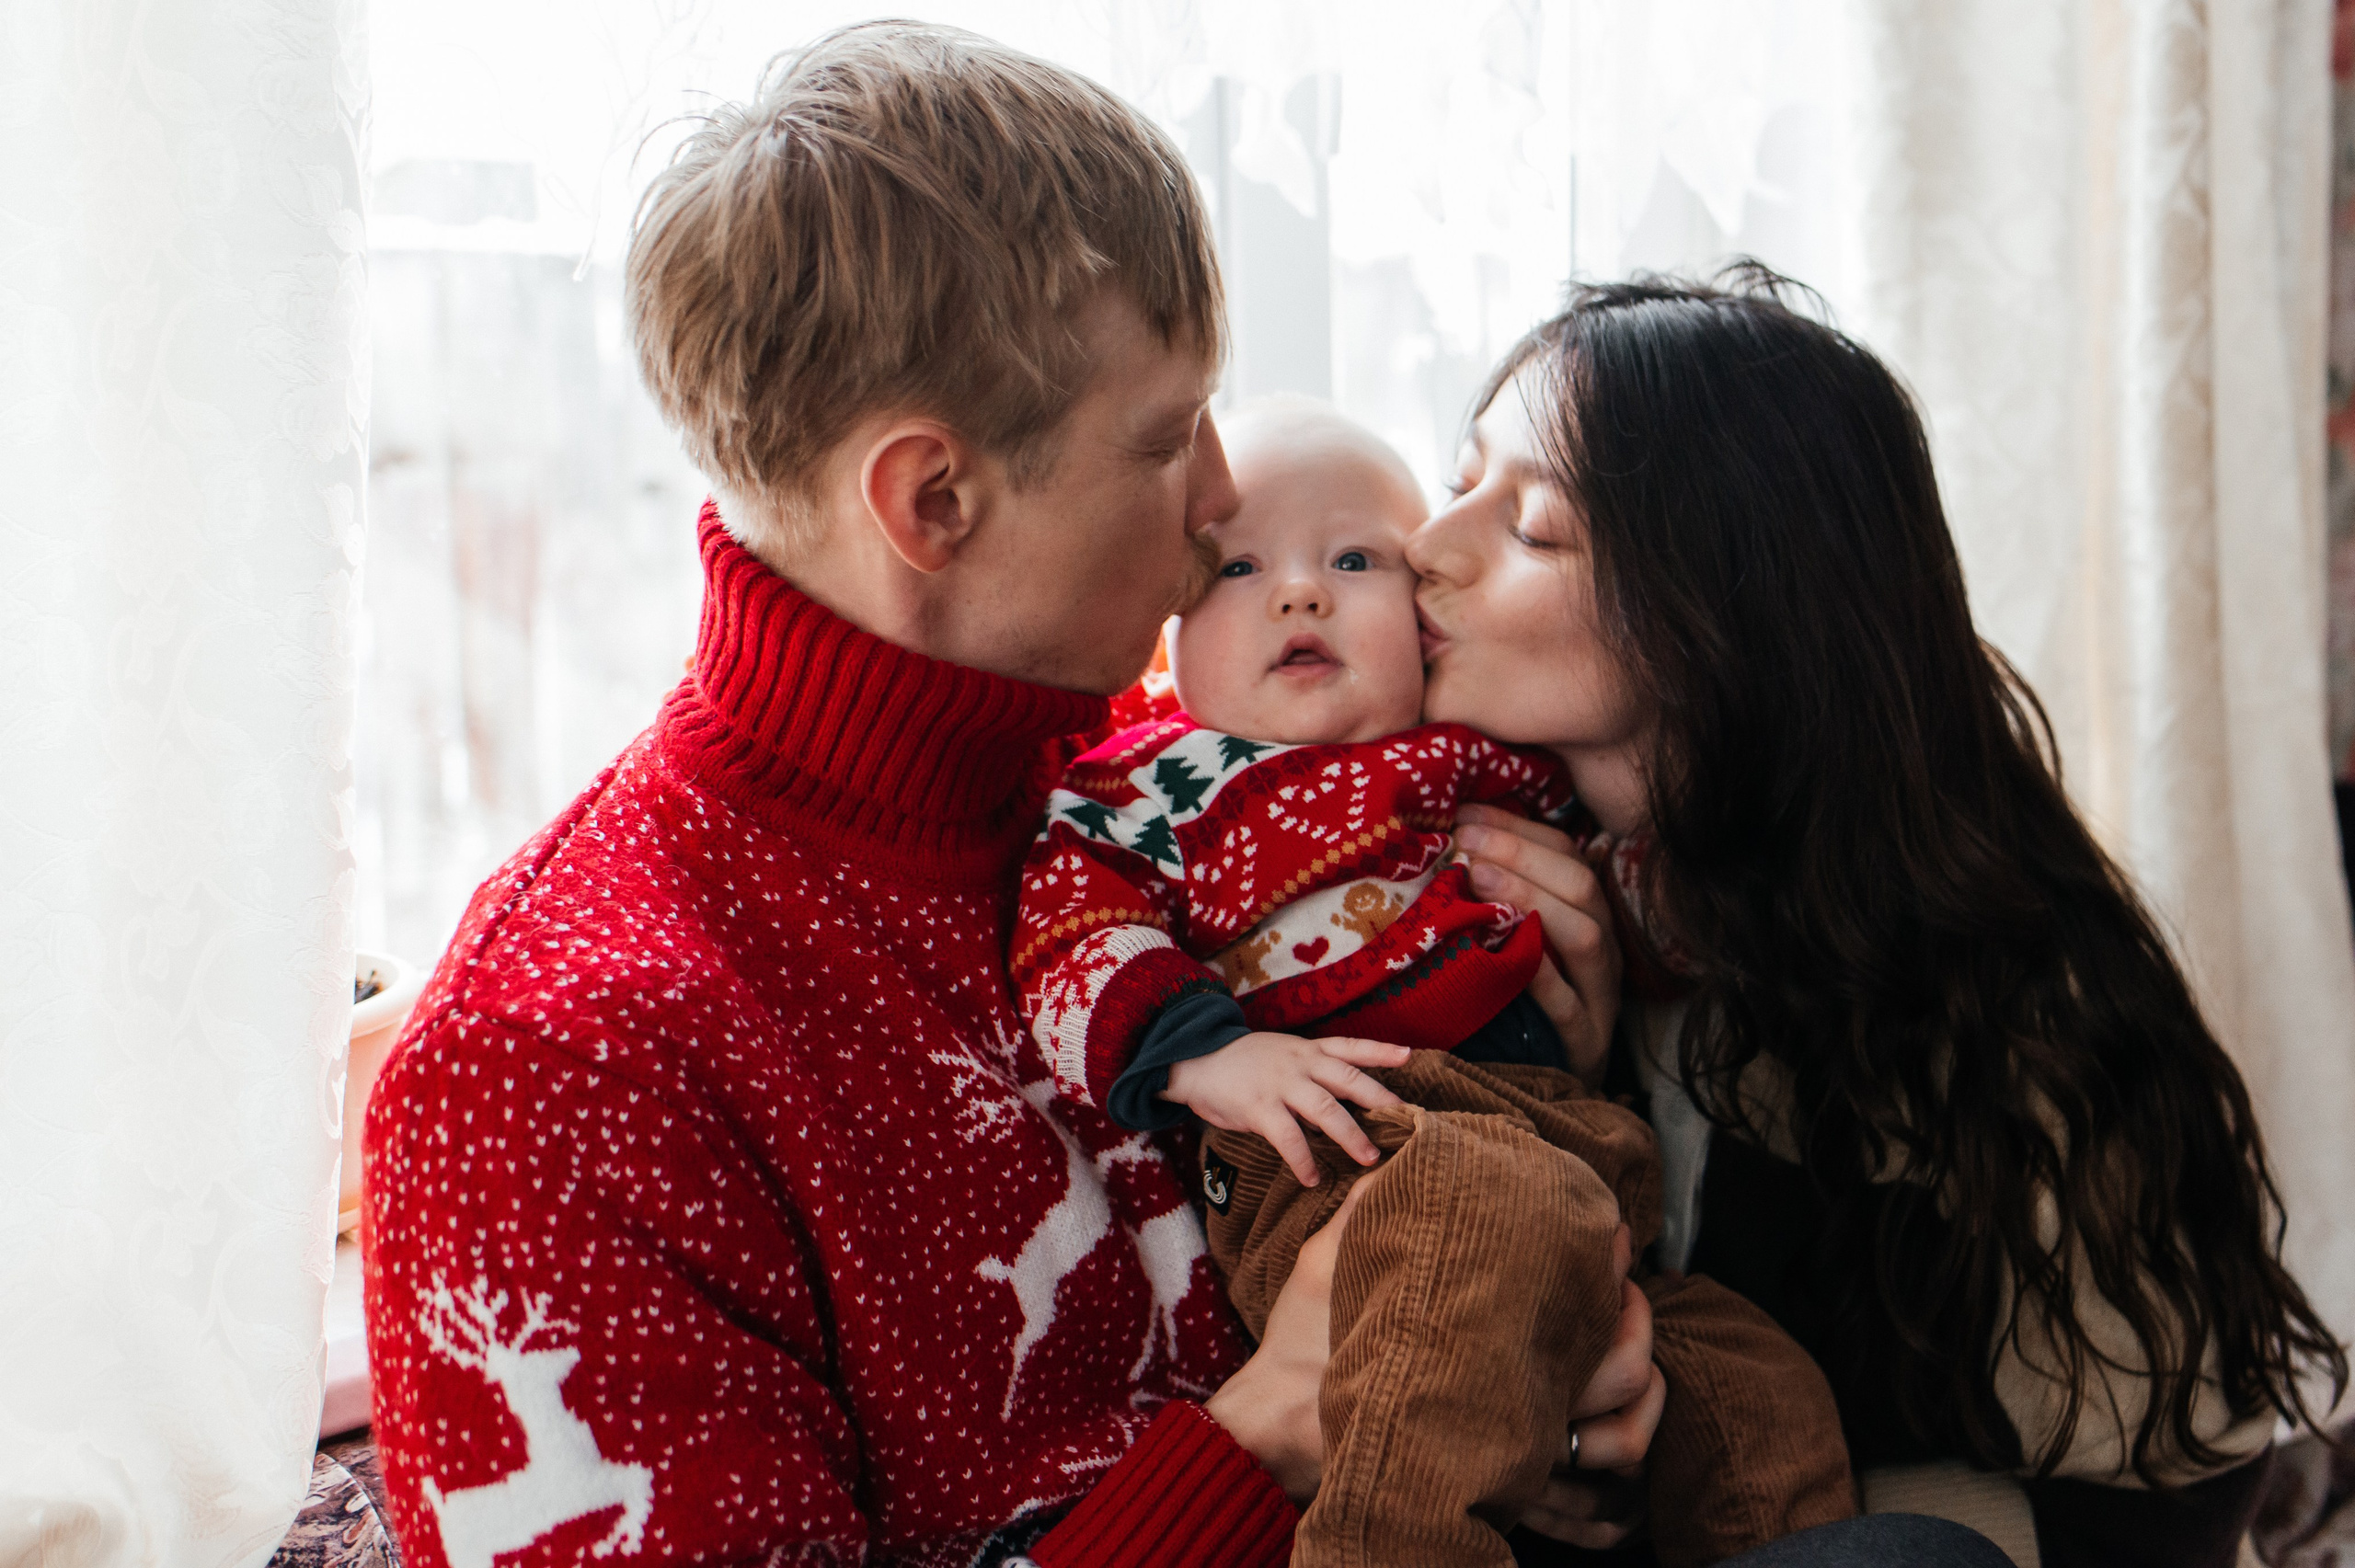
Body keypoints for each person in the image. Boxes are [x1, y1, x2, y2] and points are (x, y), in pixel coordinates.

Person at [359, 25, 1672, 1568]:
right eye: (1169, 437)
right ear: (933, 501)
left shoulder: (1179, 763)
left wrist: (1537, 1087)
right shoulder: (552, 1071)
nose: (1228, 498)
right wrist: (1275, 1441)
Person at [1416, 265, 2351, 1568]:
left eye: (1532, 528)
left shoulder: (2006, 999)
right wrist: (1564, 1095)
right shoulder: (1457, 873)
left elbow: (2174, 1496)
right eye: (1458, 477)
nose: (1424, 545)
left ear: (1724, 610)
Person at [1012, 400, 1856, 1564]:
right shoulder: (1149, 782)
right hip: (1342, 1154)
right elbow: (1071, 935)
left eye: (1354, 560)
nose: (1300, 593)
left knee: (1757, 1381)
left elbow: (1641, 904)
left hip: (1566, 1171)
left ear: (1422, 621)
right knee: (1480, 1220)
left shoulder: (1484, 760)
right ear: (1168, 641)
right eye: (1241, 565)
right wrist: (1207, 1052)